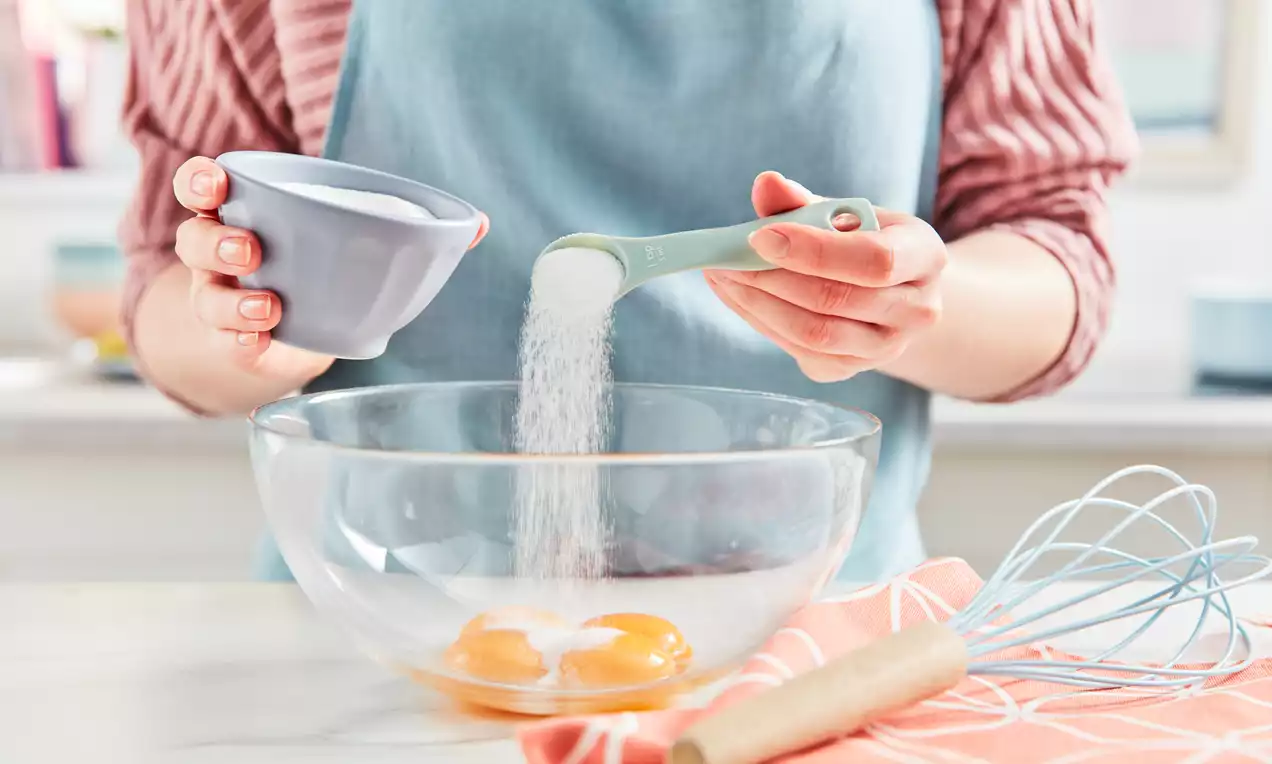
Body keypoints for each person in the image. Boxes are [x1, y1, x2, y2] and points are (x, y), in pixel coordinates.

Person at [120, 0, 1137, 582]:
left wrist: (923, 301)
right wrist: (264, 317)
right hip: (385, 635)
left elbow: (1060, 251)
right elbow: (166, 301)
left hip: (809, 643)